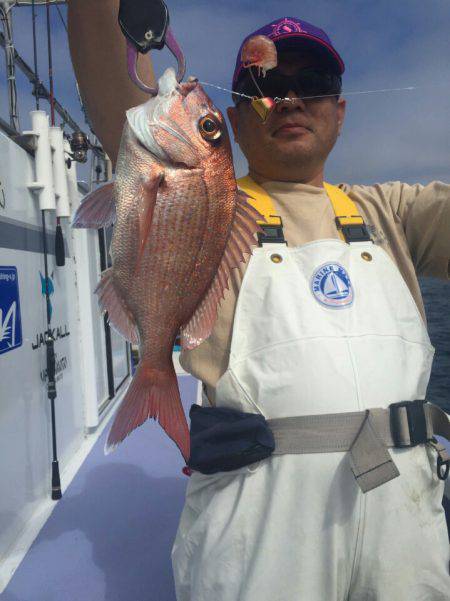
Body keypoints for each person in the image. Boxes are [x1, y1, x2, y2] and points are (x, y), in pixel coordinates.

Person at [68, 4, 450, 600]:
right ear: (238, 120)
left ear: (340, 112)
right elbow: (121, 98)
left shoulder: (392, 212)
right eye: (265, 86)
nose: (290, 99)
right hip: (261, 536)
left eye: (313, 84)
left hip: (406, 526)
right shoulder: (211, 207)